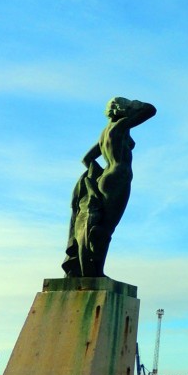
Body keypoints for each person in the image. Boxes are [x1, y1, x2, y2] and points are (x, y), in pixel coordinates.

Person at [62, 98, 156, 278]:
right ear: (122, 108)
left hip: (107, 176)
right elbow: (150, 110)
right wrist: (134, 105)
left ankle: (91, 269)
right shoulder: (120, 125)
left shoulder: (105, 132)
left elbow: (87, 159)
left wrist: (98, 177)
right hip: (119, 176)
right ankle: (96, 272)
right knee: (105, 229)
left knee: (100, 225)